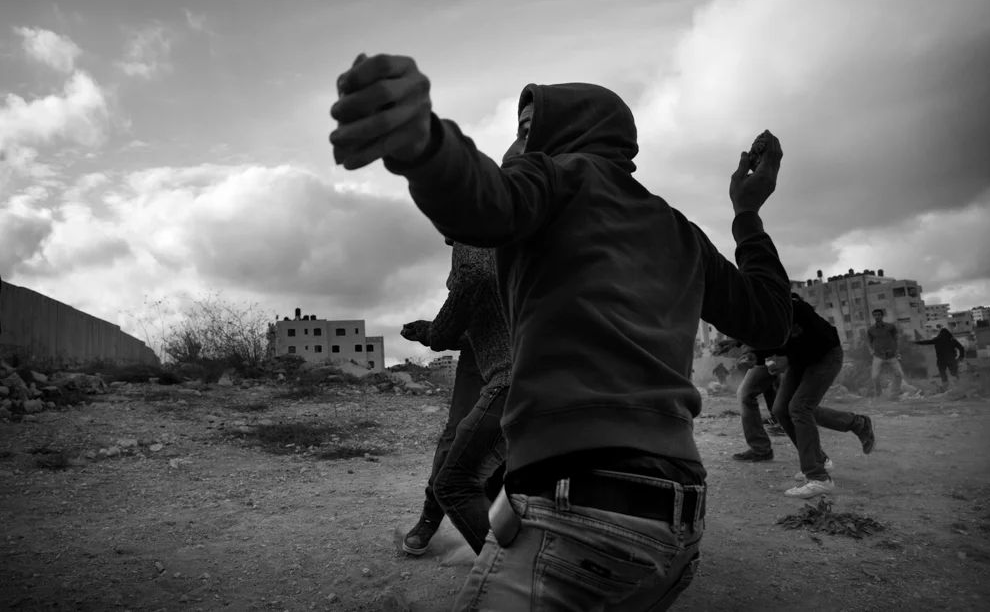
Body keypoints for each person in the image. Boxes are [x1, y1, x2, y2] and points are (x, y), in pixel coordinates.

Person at [329, 53, 793, 610]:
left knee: (460, 479)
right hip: (676, 523)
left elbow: (483, 201)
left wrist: (424, 141)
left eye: (529, 129)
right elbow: (771, 319)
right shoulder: (680, 231)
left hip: (579, 513)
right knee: (486, 482)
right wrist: (747, 214)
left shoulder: (555, 179)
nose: (519, 144)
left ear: (567, 132)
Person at [400, 237, 512, 557]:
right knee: (460, 435)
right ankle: (430, 519)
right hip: (483, 358)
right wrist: (431, 331)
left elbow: (473, 275)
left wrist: (435, 333)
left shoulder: (476, 223)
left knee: (499, 445)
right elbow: (479, 324)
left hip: (519, 357)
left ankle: (504, 551)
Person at [772, 294, 876, 499]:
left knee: (800, 408)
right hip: (801, 360)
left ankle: (818, 477)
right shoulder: (758, 313)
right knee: (782, 409)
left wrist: (786, 358)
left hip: (825, 355)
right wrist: (755, 357)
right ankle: (849, 431)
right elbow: (770, 341)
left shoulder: (794, 308)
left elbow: (819, 342)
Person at [732, 347, 785, 462]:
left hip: (770, 355)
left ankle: (761, 448)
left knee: (745, 395)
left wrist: (755, 355)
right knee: (772, 389)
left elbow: (766, 335)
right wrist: (736, 343)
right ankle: (779, 423)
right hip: (768, 355)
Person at [867, 308, 903, 397]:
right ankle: (878, 393)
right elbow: (869, 342)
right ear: (873, 316)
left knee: (899, 374)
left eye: (879, 314)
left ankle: (895, 393)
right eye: (875, 315)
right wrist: (871, 350)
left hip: (891, 355)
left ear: (882, 316)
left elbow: (897, 338)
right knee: (874, 377)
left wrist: (897, 351)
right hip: (878, 355)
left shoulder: (890, 327)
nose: (877, 316)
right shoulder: (871, 330)